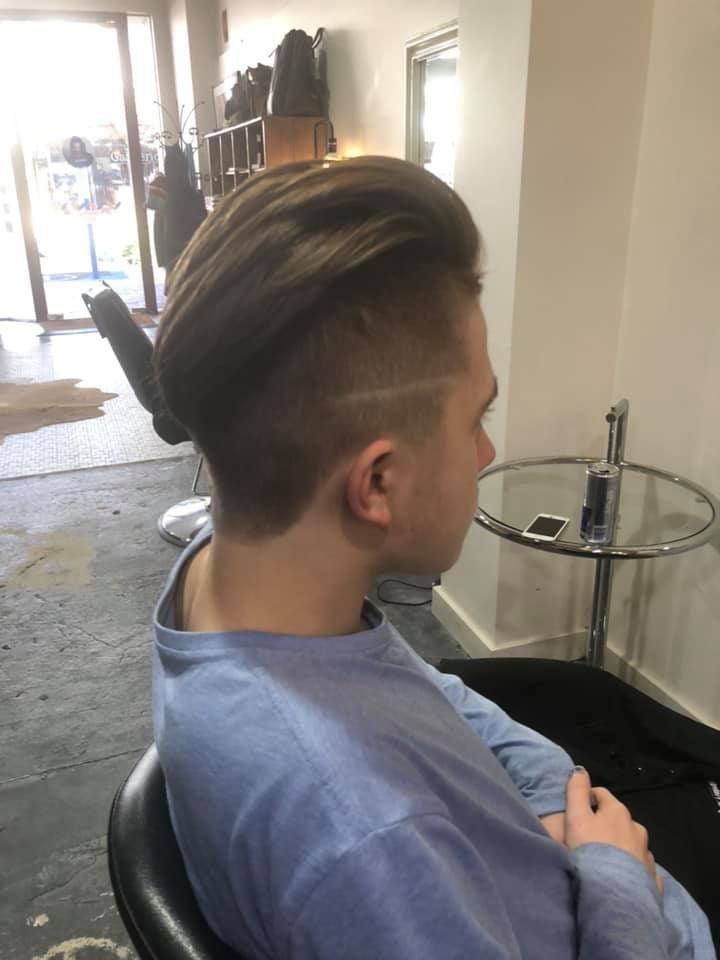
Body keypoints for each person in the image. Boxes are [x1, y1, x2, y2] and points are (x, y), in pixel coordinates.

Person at [151, 156, 715, 959]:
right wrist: (615, 880)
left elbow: (427, 693)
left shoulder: (234, 575)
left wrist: (556, 794)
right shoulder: (368, 842)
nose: (487, 451)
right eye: (476, 418)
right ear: (378, 482)